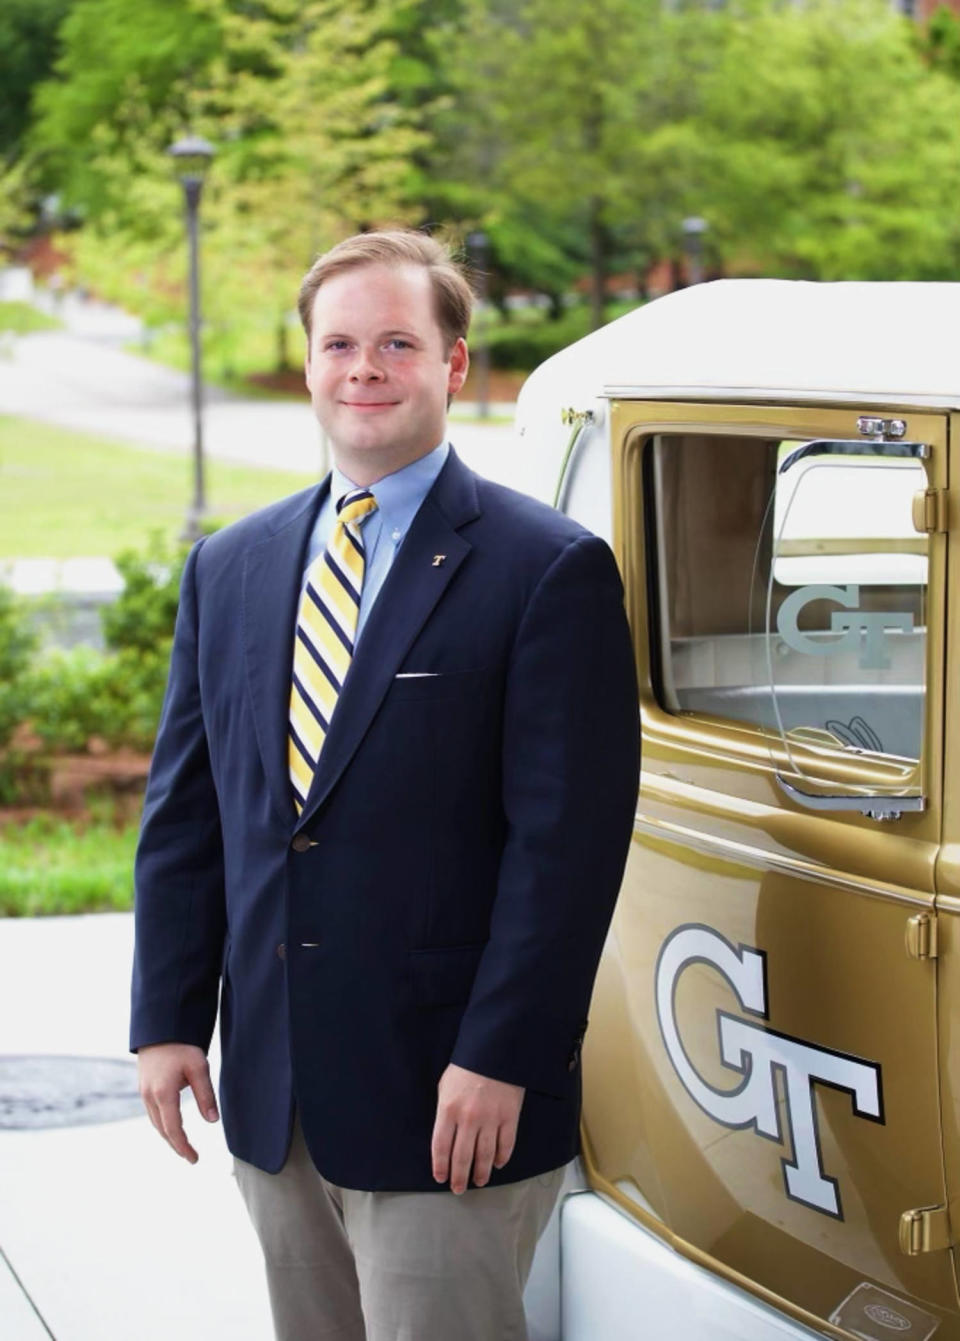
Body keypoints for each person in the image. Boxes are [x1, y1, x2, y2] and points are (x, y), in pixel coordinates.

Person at [131, 229, 639, 1341]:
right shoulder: (233, 566)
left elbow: (567, 850)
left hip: (452, 1096)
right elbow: (188, 814)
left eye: (398, 343)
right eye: (341, 343)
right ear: (309, 363)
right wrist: (167, 1020)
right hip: (276, 1092)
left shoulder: (546, 569)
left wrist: (500, 1055)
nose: (365, 368)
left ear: (454, 366)